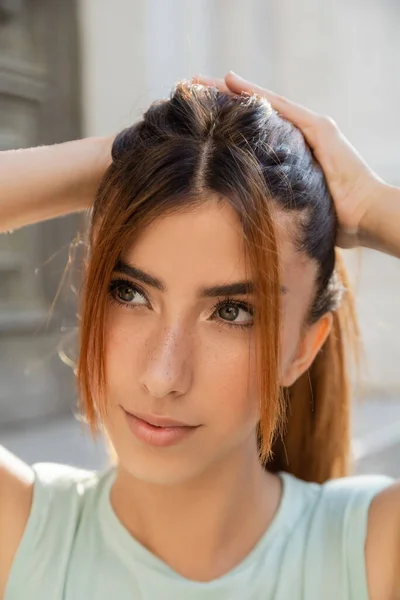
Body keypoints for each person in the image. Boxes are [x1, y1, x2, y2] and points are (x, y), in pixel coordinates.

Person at [0, 73, 399, 600]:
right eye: (130, 293)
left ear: (303, 347)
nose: (164, 375)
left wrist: (371, 205)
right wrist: (129, 158)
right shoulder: (23, 540)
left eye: (231, 311)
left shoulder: (371, 554)